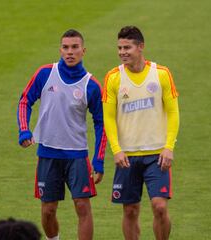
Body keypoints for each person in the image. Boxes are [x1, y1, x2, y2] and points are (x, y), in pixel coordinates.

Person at [17, 29, 106, 240]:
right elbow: (24, 101)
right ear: (60, 49)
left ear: (83, 51)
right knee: (48, 210)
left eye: (75, 47)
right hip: (48, 154)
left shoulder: (91, 85)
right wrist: (24, 130)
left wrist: (98, 159)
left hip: (77, 155)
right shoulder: (45, 74)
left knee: (82, 206)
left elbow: (102, 124)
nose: (70, 52)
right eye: (66, 47)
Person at [102, 26, 180, 240]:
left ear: (141, 47)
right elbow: (108, 117)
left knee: (160, 207)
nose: (122, 52)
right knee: (130, 210)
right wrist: (116, 150)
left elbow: (173, 112)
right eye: (119, 48)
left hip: (157, 155)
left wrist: (169, 147)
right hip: (127, 156)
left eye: (127, 47)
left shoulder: (161, 74)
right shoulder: (113, 77)